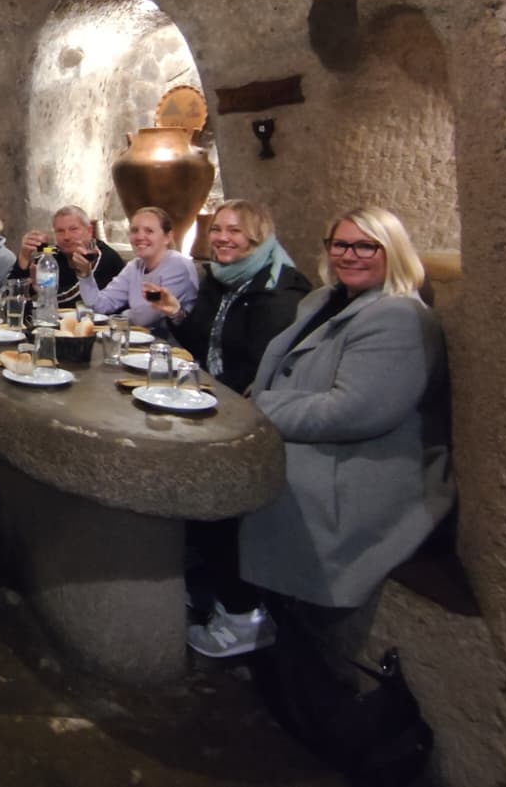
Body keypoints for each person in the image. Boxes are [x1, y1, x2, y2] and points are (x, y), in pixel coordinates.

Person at [193, 206, 452, 670]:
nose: (349, 255)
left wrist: (255, 409)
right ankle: (222, 593)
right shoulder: (325, 300)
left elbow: (351, 412)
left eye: (365, 246)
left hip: (363, 468)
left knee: (224, 481)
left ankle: (245, 614)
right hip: (314, 439)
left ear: (392, 251)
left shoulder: (398, 318)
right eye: (340, 244)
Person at [146, 200, 311, 393]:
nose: (222, 238)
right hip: (207, 386)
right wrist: (176, 313)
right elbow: (200, 346)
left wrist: (208, 392)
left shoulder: (277, 288)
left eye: (235, 231)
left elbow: (260, 368)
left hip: (244, 398)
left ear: (257, 236)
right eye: (216, 229)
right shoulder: (217, 277)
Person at [79, 205, 198, 328]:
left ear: (168, 237)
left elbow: (147, 317)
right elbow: (100, 305)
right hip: (137, 337)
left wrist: (123, 315)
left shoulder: (178, 266)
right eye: (135, 230)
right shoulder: (134, 266)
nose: (140, 237)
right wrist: (85, 275)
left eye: (149, 231)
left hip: (172, 339)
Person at [10, 205, 125, 306]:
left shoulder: (100, 256)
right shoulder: (52, 254)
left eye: (73, 229)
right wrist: (24, 258)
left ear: (89, 230)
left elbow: (77, 299)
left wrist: (42, 292)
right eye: (60, 231)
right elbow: (11, 294)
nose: (67, 237)